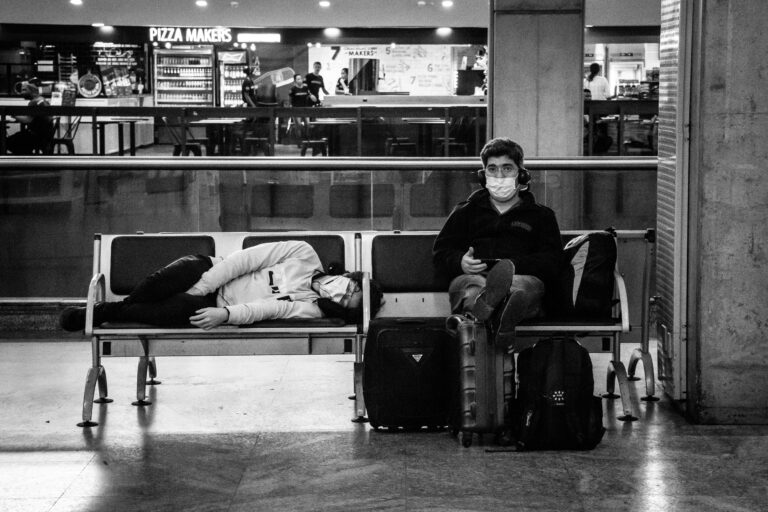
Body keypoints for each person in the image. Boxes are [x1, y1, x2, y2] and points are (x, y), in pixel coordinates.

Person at [60, 240, 383, 332]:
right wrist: (201, 287)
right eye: (352, 288)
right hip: (208, 269)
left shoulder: (310, 307)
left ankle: (101, 312)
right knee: (159, 285)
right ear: (352, 277)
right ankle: (106, 311)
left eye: (346, 302)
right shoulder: (303, 253)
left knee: (171, 311)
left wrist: (225, 315)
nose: (343, 293)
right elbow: (243, 261)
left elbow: (267, 309)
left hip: (213, 305)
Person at [432, 137, 563, 346]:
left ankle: (490, 310)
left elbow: (553, 261)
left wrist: (512, 266)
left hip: (521, 278)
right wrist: (460, 262)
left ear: (521, 174)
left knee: (520, 288)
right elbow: (441, 253)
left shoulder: (541, 216)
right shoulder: (465, 212)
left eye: (507, 168)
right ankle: (502, 320)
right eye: (492, 169)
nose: (499, 175)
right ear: (483, 175)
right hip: (474, 277)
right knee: (473, 288)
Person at [6, 82, 54, 155]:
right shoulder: (42, 99)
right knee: (18, 136)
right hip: (45, 135)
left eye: (24, 90)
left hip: (36, 136)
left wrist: (14, 115)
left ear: (32, 91)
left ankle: (22, 161)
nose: (22, 93)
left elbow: (28, 120)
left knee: (8, 142)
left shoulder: (34, 102)